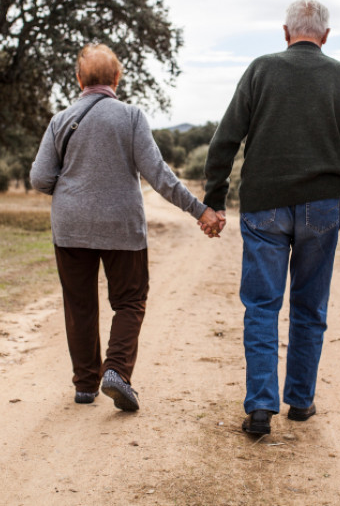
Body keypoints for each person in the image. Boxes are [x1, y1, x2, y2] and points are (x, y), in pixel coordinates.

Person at [202, 0, 340, 435]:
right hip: (321, 207)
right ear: (325, 36)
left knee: (262, 305)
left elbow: (224, 141)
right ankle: (300, 401)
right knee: (309, 305)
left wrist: (215, 199)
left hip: (264, 204)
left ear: (285, 32)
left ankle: (261, 408)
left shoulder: (261, 70)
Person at [30, 44, 223, 412]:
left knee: (79, 303)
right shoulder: (131, 117)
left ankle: (85, 385)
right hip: (122, 225)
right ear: (117, 78)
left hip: (70, 227)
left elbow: (40, 178)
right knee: (130, 300)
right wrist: (200, 211)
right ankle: (116, 371)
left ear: (79, 79)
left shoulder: (60, 120)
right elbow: (159, 175)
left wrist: (71, 189)